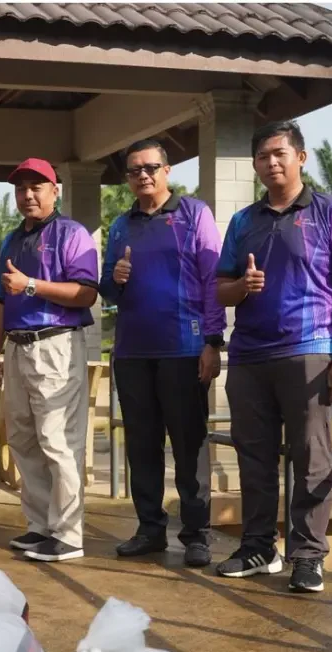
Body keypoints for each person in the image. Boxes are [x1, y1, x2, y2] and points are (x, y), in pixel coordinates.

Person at [214, 120, 332, 593]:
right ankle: (259, 547)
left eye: (279, 153)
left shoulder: (330, 212)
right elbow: (221, 289)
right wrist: (243, 287)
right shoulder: (243, 222)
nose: (271, 163)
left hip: (310, 348)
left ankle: (308, 555)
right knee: (253, 455)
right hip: (249, 355)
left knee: (311, 455)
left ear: (300, 157)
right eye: (263, 156)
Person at [99, 139, 226, 568]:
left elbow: (212, 280)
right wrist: (115, 278)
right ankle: (150, 529)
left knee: (189, 445)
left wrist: (213, 341)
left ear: (167, 170)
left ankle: (196, 534)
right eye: (134, 170)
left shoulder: (193, 214)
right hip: (132, 351)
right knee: (141, 445)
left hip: (184, 349)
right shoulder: (121, 225)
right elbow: (106, 289)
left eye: (150, 167)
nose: (143, 175)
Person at [0, 158, 100, 562]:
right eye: (21, 188)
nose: (28, 195)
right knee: (22, 437)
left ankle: (68, 534)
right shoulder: (13, 240)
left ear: (55, 191)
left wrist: (31, 285)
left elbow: (86, 293)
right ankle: (40, 526)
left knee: (57, 439)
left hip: (56, 343)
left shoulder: (71, 233)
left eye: (37, 187)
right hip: (17, 346)